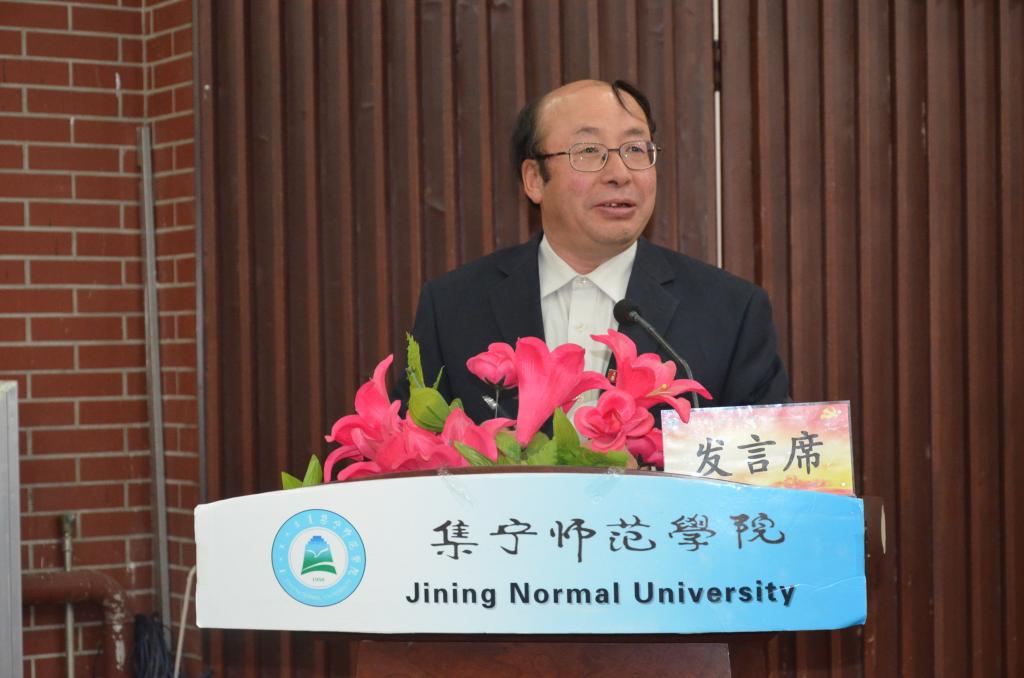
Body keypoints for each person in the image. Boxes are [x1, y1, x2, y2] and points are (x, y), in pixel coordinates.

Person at [395, 79, 789, 423]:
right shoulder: (453, 307)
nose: (619, 174)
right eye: (588, 151)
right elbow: (409, 452)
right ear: (534, 179)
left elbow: (767, 465)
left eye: (636, 149)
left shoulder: (731, 312)